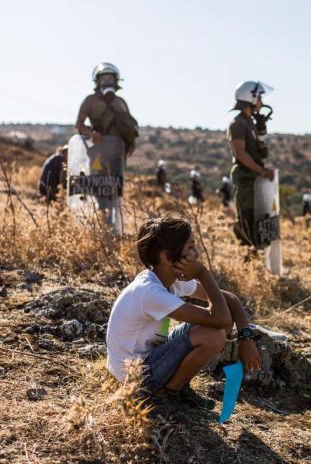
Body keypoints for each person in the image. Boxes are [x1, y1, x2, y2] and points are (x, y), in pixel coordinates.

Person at [105, 217, 262, 407]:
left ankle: (177, 387)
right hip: (135, 375)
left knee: (219, 328)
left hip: (151, 357)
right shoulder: (150, 292)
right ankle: (166, 396)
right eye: (190, 247)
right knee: (213, 336)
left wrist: (246, 337)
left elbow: (230, 299)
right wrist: (203, 273)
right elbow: (220, 318)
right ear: (166, 256)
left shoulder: (168, 279)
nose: (196, 254)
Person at [227, 81, 275, 246]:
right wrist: (261, 171)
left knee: (259, 217)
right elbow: (240, 153)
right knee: (247, 217)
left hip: (254, 176)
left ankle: (257, 251)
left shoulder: (250, 123)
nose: (261, 101)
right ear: (251, 98)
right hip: (246, 177)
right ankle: (247, 252)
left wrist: (261, 133)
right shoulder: (237, 123)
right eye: (259, 97)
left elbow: (261, 153)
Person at [76, 62, 139, 155]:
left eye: (110, 79)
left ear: (115, 81)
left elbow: (129, 124)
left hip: (118, 149)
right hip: (97, 148)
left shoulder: (121, 102)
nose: (107, 81)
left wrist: (131, 143)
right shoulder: (90, 100)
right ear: (98, 81)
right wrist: (91, 134)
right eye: (103, 79)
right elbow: (79, 124)